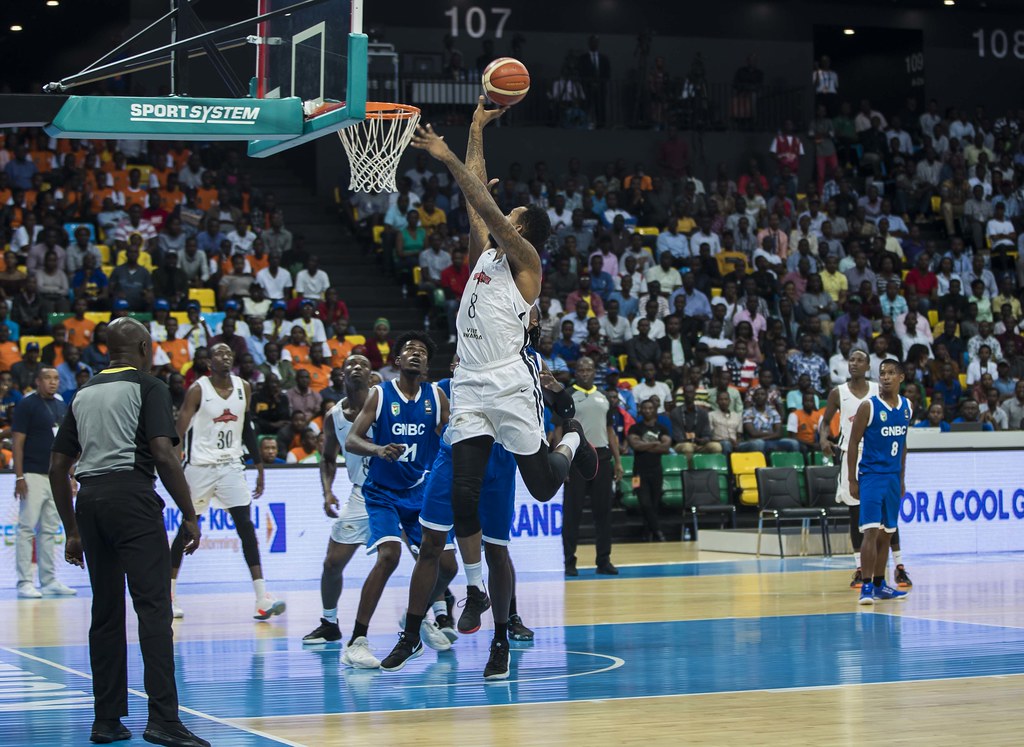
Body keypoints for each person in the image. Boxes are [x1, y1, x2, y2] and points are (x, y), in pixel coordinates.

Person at [410, 100, 598, 679]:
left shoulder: (526, 263)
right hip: (470, 382)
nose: (500, 214)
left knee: (541, 488)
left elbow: (483, 203)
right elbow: (478, 204)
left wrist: (445, 156)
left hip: (511, 383)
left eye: (509, 215)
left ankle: (571, 438)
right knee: (462, 496)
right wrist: (473, 129)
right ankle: (475, 591)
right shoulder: (484, 258)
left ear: (521, 232)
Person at [48, 317, 208, 747]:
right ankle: (163, 720)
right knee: (153, 609)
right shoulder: (147, 386)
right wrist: (189, 513)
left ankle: (106, 721)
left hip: (90, 502)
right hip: (132, 499)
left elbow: (58, 466)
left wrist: (71, 530)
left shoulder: (83, 392)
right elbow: (163, 453)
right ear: (142, 347)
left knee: (105, 613)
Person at [343, 332, 447, 670]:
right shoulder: (380, 394)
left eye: (422, 351)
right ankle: (357, 640)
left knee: (447, 565)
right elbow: (352, 440)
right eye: (409, 350)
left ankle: (415, 616)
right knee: (389, 556)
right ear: (397, 361)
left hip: (419, 490)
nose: (416, 354)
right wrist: (377, 449)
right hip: (382, 492)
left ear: (427, 365)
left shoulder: (437, 396)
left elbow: (452, 438)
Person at [169, 342, 282, 621]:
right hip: (200, 467)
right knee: (187, 528)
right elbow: (178, 432)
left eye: (228, 353)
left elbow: (246, 428)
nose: (225, 355)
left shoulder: (244, 387)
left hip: (231, 465)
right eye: (219, 353)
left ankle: (261, 598)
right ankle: (168, 595)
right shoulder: (198, 390)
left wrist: (259, 465)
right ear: (209, 362)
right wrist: (175, 465)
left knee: (246, 526)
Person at [301, 355, 391, 655]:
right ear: (341, 376)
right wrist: (327, 492)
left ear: (372, 375)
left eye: (363, 364)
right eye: (350, 365)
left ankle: (438, 613)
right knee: (332, 563)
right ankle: (329, 623)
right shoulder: (334, 416)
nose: (356, 368)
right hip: (362, 494)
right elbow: (328, 459)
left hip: (398, 491)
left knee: (429, 554)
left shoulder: (386, 404)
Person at [847, 359, 912, 605]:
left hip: (893, 478)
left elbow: (903, 444)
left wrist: (902, 478)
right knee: (871, 532)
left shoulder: (907, 406)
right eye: (882, 373)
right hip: (872, 477)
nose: (885, 377)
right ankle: (865, 586)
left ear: (901, 378)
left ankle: (879, 584)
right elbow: (853, 442)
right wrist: (852, 479)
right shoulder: (868, 406)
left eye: (891, 373)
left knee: (887, 534)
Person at [13, 365, 75, 598]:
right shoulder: (27, 405)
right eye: (47, 378)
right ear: (38, 381)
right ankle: (24, 582)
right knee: (27, 528)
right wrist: (19, 476)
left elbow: (67, 446)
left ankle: (48, 581)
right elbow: (17, 443)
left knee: (49, 530)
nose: (52, 382)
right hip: (32, 474)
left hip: (56, 477)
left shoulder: (61, 406)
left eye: (56, 378)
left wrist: (70, 475)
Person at [559, 356, 622, 577]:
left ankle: (604, 561)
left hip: (602, 459)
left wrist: (618, 461)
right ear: (575, 372)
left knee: (603, 513)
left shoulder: (604, 396)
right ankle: (568, 562)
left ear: (595, 372)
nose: (585, 372)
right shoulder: (567, 395)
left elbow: (610, 431)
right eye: (581, 369)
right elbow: (558, 430)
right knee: (572, 514)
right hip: (576, 459)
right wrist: (562, 461)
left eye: (589, 369)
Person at [628, 398, 671, 542]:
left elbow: (666, 448)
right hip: (638, 472)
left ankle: (648, 532)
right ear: (640, 410)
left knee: (654, 504)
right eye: (645, 408)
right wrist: (655, 443)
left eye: (650, 408)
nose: (648, 410)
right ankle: (658, 532)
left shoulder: (662, 429)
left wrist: (645, 445)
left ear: (655, 410)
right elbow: (636, 446)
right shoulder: (635, 428)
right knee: (644, 503)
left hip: (656, 471)